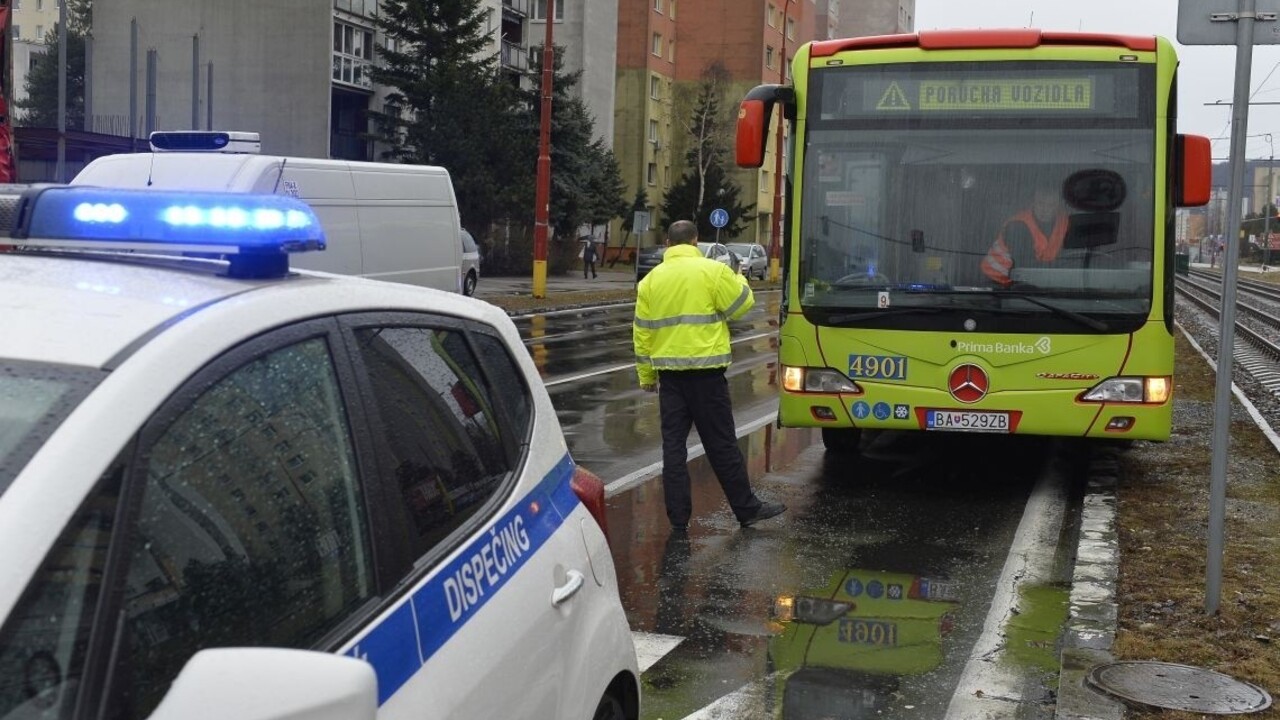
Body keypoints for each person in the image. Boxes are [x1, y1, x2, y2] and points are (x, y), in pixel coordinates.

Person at [634, 220, 786, 530]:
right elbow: (741, 306)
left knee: (673, 448)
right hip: (707, 376)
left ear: (667, 244)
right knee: (721, 444)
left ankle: (678, 519)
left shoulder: (650, 282)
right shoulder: (712, 271)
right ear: (695, 240)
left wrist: (647, 376)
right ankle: (746, 509)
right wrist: (740, 279)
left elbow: (642, 334)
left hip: (671, 379)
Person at [981, 184, 1070, 286]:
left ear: (1058, 206)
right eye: (1041, 203)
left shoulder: (1065, 222)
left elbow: (1071, 256)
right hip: (998, 281)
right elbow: (1024, 266)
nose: (1045, 209)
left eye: (1051, 205)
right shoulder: (1017, 226)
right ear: (1033, 203)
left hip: (1031, 280)